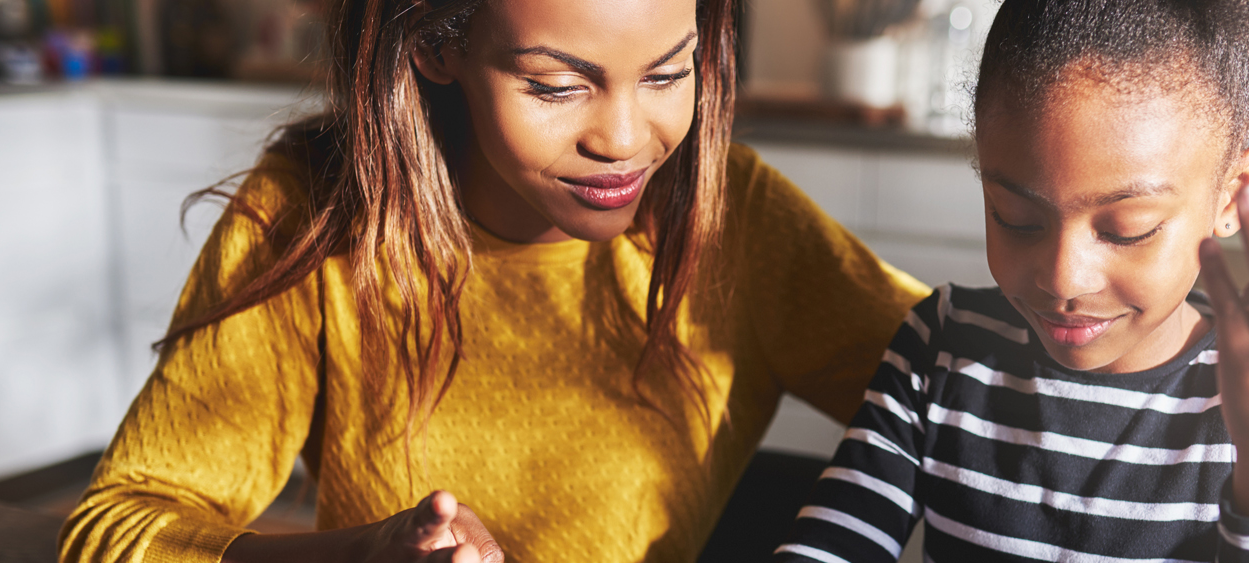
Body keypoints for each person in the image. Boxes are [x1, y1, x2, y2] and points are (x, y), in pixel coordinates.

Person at [58, 0, 929, 561]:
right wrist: (367, 555)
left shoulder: (736, 221)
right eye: (555, 86)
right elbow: (124, 522)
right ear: (439, 46)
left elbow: (981, 397)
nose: (625, 139)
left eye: (670, 73)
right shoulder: (315, 214)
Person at [774, 0, 1249, 561]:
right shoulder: (940, 347)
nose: (1063, 278)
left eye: (1129, 230)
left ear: (1234, 193)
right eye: (1017, 219)